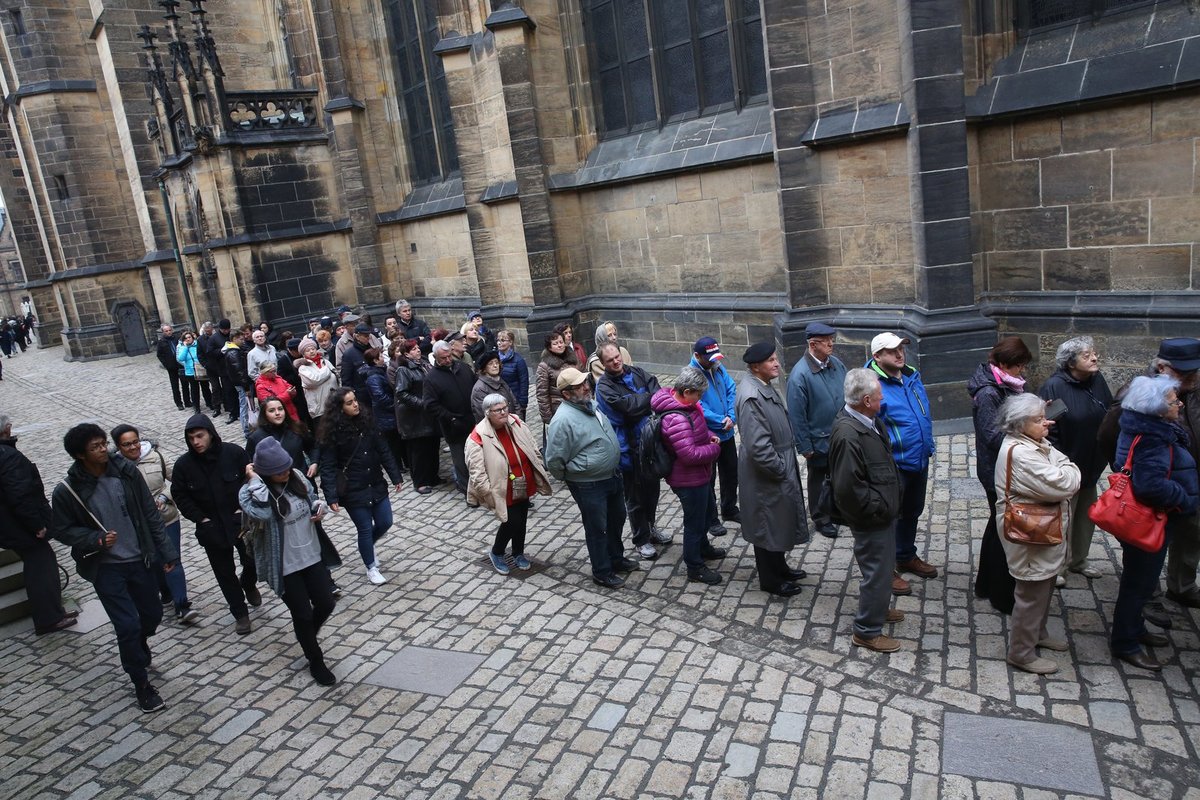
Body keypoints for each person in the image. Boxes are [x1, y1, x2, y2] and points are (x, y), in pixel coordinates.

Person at [51, 423, 178, 713]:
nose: (103, 449)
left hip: (140, 558)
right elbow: (61, 529)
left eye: (102, 443)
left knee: (152, 614)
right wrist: (93, 538)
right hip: (106, 567)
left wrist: (166, 551)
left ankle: (139, 644)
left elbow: (149, 512)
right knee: (127, 625)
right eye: (95, 447)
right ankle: (141, 684)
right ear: (80, 455)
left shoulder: (125, 472)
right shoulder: (68, 490)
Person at [1110, 375, 1199, 671]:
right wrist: (1184, 499)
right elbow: (1150, 485)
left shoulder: (1150, 427)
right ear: (1157, 409)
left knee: (1142, 581)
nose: (1180, 403)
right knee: (1138, 584)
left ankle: (1134, 629)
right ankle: (1125, 643)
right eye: (1174, 401)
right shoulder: (1151, 438)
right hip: (1148, 520)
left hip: (1155, 519)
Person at [240, 437, 341, 686]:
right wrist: (254, 479)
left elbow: (311, 499)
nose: (285, 473)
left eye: (286, 467)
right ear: (265, 473)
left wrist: (319, 508)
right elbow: (262, 511)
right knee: (302, 614)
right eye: (278, 471)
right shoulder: (249, 493)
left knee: (326, 603)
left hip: (310, 554)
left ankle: (306, 636)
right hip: (283, 565)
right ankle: (315, 659)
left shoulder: (295, 475)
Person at [992, 394, 1081, 674]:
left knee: (1044, 585)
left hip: (1043, 532)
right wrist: (1068, 468)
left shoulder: (1035, 443)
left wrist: (1063, 464)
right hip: (1030, 534)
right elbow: (1065, 483)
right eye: (1039, 419)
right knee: (1031, 592)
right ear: (1019, 424)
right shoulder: (1022, 453)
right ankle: (1021, 652)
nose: (1048, 422)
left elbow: (1061, 461)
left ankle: (1037, 634)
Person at [829, 369, 905, 652]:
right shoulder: (849, 434)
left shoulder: (870, 421)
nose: (882, 400)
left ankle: (878, 610)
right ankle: (867, 631)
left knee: (883, 569)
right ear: (865, 400)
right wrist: (878, 508)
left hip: (882, 512)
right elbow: (849, 488)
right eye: (878, 397)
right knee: (877, 571)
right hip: (872, 517)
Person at [544, 367, 637, 588]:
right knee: (597, 527)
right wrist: (574, 475)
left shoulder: (590, 404)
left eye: (586, 382)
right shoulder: (562, 421)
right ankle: (602, 571)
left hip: (611, 476)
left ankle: (616, 558)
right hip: (588, 483)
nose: (587, 387)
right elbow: (554, 460)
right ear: (566, 394)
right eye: (580, 386)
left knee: (616, 519)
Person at [171, 414, 260, 635]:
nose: (196, 442)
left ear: (210, 433)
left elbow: (250, 479)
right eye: (191, 438)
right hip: (211, 527)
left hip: (239, 521)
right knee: (224, 573)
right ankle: (240, 613)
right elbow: (180, 495)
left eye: (199, 436)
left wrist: (242, 508)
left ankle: (248, 583)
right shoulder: (184, 465)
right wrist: (201, 519)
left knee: (252, 561)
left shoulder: (234, 453)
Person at [1038, 336, 1114, 582]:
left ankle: (1078, 560)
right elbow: (1049, 430)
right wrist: (1060, 466)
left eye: (1094, 353)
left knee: (1084, 517)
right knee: (1062, 519)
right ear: (1071, 363)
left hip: (1092, 464)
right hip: (1067, 466)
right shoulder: (1054, 387)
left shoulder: (1097, 380)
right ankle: (1056, 567)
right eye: (1086, 355)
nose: (1094, 358)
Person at [966, 336, 1033, 615]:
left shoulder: (1009, 384)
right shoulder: (989, 393)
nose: (1023, 372)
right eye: (1019, 366)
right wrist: (1029, 428)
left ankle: (985, 584)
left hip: (1005, 467)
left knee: (997, 527)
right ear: (1004, 364)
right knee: (1001, 529)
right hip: (996, 470)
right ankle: (995, 588)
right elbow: (992, 436)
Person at [736, 342, 808, 597]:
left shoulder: (763, 386)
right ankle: (771, 579)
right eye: (771, 360)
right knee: (766, 524)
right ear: (756, 366)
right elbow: (759, 447)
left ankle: (780, 568)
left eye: (776, 358)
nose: (777, 363)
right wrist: (780, 470)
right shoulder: (752, 396)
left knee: (776, 521)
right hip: (766, 474)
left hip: (777, 466)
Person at [867, 332, 937, 596]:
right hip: (893, 463)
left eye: (901, 349)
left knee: (911, 511)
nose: (899, 354)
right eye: (891, 351)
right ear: (877, 356)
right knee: (888, 518)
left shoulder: (911, 376)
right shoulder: (872, 385)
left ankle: (905, 555)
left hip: (918, 458)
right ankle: (886, 570)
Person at [112, 424, 199, 626]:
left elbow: (179, 481)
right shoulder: (113, 468)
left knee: (172, 558)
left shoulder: (156, 457)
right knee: (155, 562)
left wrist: (163, 496)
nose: (133, 447)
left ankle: (182, 605)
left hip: (166, 518)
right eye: (127, 445)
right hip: (137, 527)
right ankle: (166, 591)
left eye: (135, 442)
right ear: (118, 447)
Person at [0, 412, 76, 635]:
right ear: (7, 429)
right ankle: (49, 618)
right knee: (41, 569)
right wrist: (36, 524)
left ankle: (54, 613)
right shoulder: (8, 456)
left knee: (42, 565)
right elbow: (20, 495)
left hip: (11, 526)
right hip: (21, 527)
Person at [318, 387, 404, 585]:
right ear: (339, 408)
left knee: (385, 521)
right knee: (364, 529)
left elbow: (383, 449)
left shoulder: (367, 421)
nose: (355, 404)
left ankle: (367, 546)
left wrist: (395, 475)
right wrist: (331, 497)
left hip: (375, 482)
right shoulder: (332, 432)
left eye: (355, 400)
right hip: (353, 489)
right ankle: (371, 566)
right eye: (349, 403)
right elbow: (329, 466)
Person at [651, 367, 727, 585]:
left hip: (697, 476)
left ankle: (703, 548)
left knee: (702, 516)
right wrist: (715, 450)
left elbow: (698, 430)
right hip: (688, 479)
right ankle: (695, 566)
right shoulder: (676, 418)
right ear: (685, 391)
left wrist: (710, 436)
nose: (700, 399)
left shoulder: (686, 407)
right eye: (698, 394)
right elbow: (689, 454)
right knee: (694, 522)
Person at [595, 342, 667, 559]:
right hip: (628, 448)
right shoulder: (604, 387)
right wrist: (646, 400)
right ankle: (641, 538)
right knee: (635, 497)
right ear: (603, 363)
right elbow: (624, 410)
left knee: (652, 491)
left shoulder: (637, 372)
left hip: (650, 444)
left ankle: (651, 527)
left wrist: (639, 402)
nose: (616, 362)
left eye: (617, 357)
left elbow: (659, 394)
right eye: (610, 360)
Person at [467, 393, 553, 574]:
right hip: (502, 488)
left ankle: (518, 553)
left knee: (521, 519)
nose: (503, 412)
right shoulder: (477, 436)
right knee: (511, 520)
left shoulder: (516, 422)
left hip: (523, 481)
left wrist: (538, 469)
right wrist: (488, 494)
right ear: (487, 413)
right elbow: (477, 472)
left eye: (505, 407)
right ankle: (497, 552)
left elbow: (532, 446)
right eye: (498, 410)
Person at [786, 322, 847, 538]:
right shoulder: (799, 376)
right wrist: (805, 446)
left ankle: (838, 509)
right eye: (827, 341)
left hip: (840, 436)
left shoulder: (836, 364)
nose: (832, 343)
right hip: (819, 440)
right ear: (813, 344)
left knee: (839, 474)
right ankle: (821, 517)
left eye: (832, 339)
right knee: (819, 479)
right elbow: (797, 415)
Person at [689, 337, 740, 536]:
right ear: (697, 356)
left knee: (731, 473)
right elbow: (697, 405)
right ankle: (711, 518)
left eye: (715, 357)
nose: (714, 361)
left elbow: (731, 389)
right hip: (707, 435)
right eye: (709, 358)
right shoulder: (691, 374)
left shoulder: (718, 366)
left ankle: (729, 508)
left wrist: (731, 416)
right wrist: (721, 420)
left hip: (726, 432)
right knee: (708, 478)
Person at [424, 340, 476, 494]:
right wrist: (451, 418)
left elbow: (475, 386)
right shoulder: (431, 378)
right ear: (435, 357)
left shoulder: (463, 368)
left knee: (476, 457)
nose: (447, 360)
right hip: (453, 426)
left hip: (472, 421)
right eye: (443, 358)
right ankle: (467, 491)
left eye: (448, 356)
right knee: (460, 461)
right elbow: (430, 405)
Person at [393, 338, 441, 494]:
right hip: (415, 417)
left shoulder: (425, 364)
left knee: (432, 446)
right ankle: (420, 481)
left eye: (418, 348)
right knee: (418, 451)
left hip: (429, 415)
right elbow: (402, 393)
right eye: (413, 349)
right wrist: (422, 403)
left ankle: (433, 476)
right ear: (406, 354)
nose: (418, 350)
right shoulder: (404, 369)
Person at [360, 347, 406, 473]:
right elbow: (380, 396)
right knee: (393, 443)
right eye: (380, 356)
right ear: (375, 360)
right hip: (385, 414)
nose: (383, 358)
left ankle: (401, 464)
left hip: (388, 413)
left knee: (396, 440)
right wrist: (393, 405)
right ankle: (397, 466)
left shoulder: (380, 372)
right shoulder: (373, 377)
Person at [535, 330, 574, 430]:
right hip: (559, 407)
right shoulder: (544, 367)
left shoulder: (573, 359)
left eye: (561, 342)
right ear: (549, 347)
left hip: (576, 402)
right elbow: (542, 394)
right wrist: (548, 419)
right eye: (555, 343)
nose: (560, 345)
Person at [297, 340, 337, 427]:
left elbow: (337, 375)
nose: (311, 351)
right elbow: (314, 381)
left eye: (313, 349)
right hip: (319, 409)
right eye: (308, 350)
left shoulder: (325, 362)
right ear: (303, 354)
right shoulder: (303, 368)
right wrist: (327, 371)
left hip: (335, 403)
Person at [471, 350, 518, 423]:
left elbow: (514, 403)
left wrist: (517, 420)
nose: (495, 366)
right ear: (484, 368)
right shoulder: (480, 389)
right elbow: (485, 415)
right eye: (490, 364)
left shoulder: (501, 381)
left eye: (496, 362)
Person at [222, 327, 253, 434]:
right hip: (241, 384)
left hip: (239, 383)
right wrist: (246, 387)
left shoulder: (235, 350)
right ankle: (247, 430)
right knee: (244, 405)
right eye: (240, 339)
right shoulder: (233, 353)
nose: (243, 340)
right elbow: (240, 372)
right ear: (234, 339)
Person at [496, 330, 529, 420]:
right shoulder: (495, 358)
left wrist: (522, 403)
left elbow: (524, 382)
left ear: (510, 342)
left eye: (503, 340)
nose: (499, 343)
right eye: (498, 340)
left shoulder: (518, 360)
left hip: (515, 399)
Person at [340, 323, 376, 392]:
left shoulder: (371, 350)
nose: (368, 338)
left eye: (369, 336)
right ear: (357, 336)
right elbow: (346, 380)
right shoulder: (349, 354)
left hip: (375, 390)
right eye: (365, 336)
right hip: (361, 394)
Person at [156, 324, 184, 410]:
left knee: (185, 384)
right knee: (175, 386)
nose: (168, 332)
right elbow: (159, 355)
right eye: (166, 331)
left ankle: (187, 401)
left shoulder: (177, 339)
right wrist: (166, 364)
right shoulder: (161, 342)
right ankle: (179, 403)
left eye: (169, 330)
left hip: (180, 365)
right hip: (171, 367)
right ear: (163, 332)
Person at [175, 330, 203, 414]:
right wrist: (186, 347)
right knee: (194, 389)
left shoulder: (197, 345)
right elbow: (180, 358)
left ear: (192, 337)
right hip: (190, 371)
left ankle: (210, 403)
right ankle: (196, 407)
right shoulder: (182, 347)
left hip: (200, 369)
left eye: (189, 337)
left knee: (205, 387)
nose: (188, 339)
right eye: (186, 338)